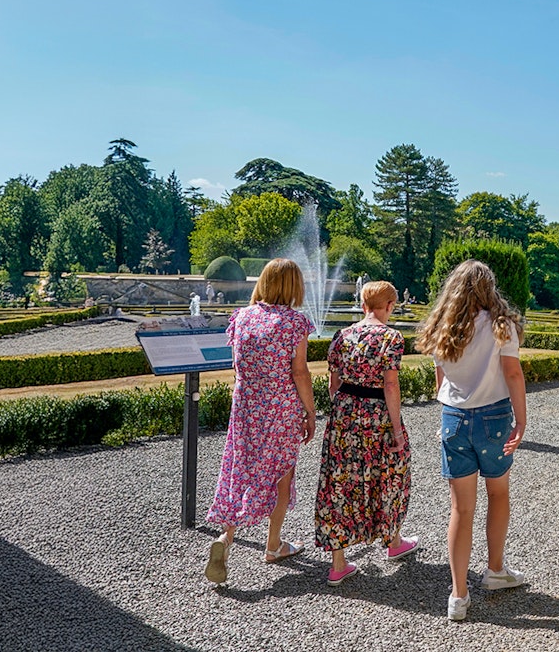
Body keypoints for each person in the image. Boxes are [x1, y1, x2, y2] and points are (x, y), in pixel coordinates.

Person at [416, 260, 528, 622]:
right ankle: (495, 570)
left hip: (454, 418)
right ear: (488, 288)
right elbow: (512, 373)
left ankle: (458, 596)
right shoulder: (501, 325)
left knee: (460, 510)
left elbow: (440, 379)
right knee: (498, 493)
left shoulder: (443, 326)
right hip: (494, 417)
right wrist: (522, 421)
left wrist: (448, 414)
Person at [204, 258, 317, 585]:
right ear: (293, 286)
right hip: (279, 408)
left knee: (240, 468)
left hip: (246, 405)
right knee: (282, 473)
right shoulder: (295, 323)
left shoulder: (241, 317)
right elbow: (299, 372)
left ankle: (226, 538)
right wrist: (309, 412)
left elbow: (237, 367)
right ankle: (273, 545)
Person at [313, 281, 418, 586]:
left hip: (344, 413)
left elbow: (333, 384)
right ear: (388, 306)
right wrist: (397, 429)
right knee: (390, 474)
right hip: (378, 414)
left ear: (363, 306)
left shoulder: (341, 336)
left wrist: (346, 412)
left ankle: (338, 564)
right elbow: (390, 385)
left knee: (340, 482)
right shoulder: (391, 338)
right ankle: (393, 541)